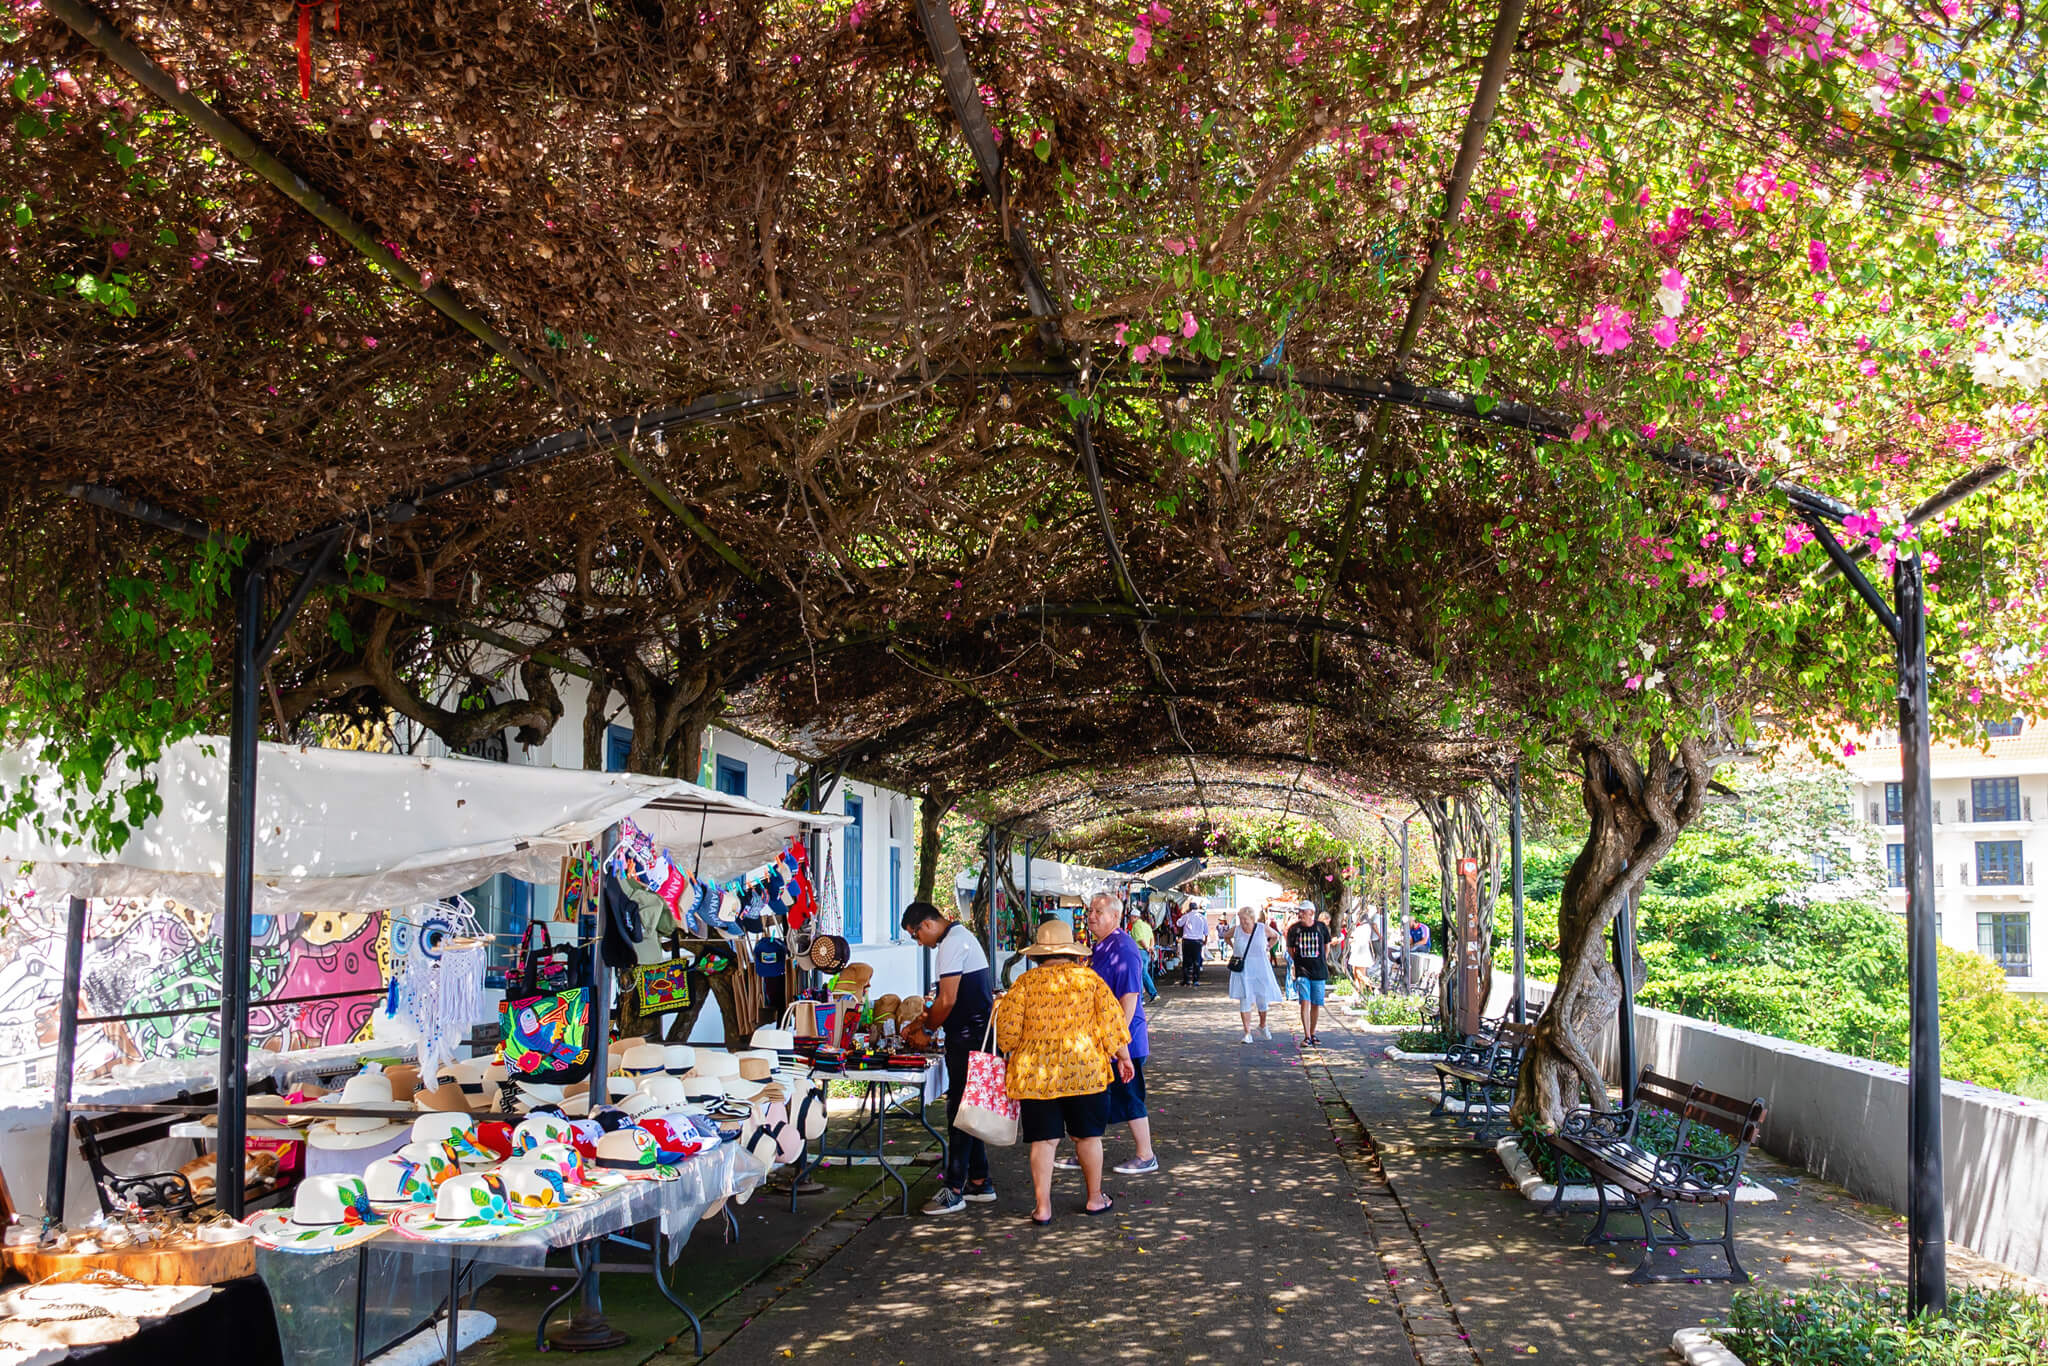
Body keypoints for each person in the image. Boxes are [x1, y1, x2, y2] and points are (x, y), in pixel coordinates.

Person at [997, 920, 1133, 1224]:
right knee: (1087, 1138)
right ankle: (1095, 1198)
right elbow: (1112, 1025)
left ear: (1038, 955)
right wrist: (1124, 1058)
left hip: (1036, 1075)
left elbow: (1006, 1036)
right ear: (1071, 952)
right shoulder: (1091, 981)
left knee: (1043, 1141)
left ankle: (1043, 1207)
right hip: (1085, 1071)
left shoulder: (1024, 984)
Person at [902, 901, 998, 1216]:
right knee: (967, 1110)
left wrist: (927, 1030)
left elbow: (948, 998)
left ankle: (954, 1188)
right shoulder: (960, 938)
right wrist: (924, 1020)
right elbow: (946, 998)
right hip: (974, 1035)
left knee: (959, 1112)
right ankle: (979, 1180)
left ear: (926, 924)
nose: (918, 943)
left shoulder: (952, 943)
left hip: (970, 1038)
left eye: (916, 935)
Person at [1078, 893, 1158, 1175]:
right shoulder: (1100, 945)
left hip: (1125, 1040)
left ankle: (1145, 1154)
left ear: (1115, 916)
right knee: (1097, 1094)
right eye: (1091, 910)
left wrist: (1117, 1040)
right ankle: (1088, 1149)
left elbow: (1129, 998)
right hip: (1103, 1037)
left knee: (1130, 1095)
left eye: (1099, 911)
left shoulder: (1123, 947)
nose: (1092, 916)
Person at [1227, 906, 1282, 1042]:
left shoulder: (1262, 928)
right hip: (1243, 969)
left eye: (1245, 919)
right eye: (1240, 919)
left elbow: (1276, 936)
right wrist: (1233, 948)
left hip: (1260, 967)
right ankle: (1247, 1033)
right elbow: (1226, 936)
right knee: (1245, 999)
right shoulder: (1237, 930)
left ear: (1251, 918)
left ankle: (1263, 1025)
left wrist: (1269, 946)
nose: (1242, 922)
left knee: (1262, 998)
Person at [1286, 903, 1333, 1046]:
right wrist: (1298, 962)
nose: (1300, 914)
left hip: (1318, 970)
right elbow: (1290, 949)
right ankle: (1306, 1036)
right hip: (1302, 971)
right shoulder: (1294, 929)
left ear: (1311, 912)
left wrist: (1322, 960)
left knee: (1316, 1003)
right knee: (1304, 1001)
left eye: (1303, 911)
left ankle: (1312, 1033)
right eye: (1299, 911)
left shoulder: (1321, 927)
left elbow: (1327, 946)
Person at [1127, 908, 1159, 1005]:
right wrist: (1151, 947)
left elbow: (1140, 939)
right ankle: (1153, 993)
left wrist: (1147, 947)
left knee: (1139, 974)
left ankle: (1141, 998)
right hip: (1146, 952)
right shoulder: (1146, 925)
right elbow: (1151, 938)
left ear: (1135, 917)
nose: (1130, 919)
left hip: (1139, 951)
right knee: (1144, 973)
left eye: (1131, 917)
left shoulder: (1136, 926)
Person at [1179, 903, 1210, 986]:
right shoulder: (1202, 917)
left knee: (1186, 961)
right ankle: (1195, 980)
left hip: (1187, 940)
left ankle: (1186, 980)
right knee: (1196, 960)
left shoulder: (1186, 916)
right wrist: (1205, 941)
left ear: (1190, 908)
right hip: (1198, 941)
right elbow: (1206, 931)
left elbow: (1179, 923)